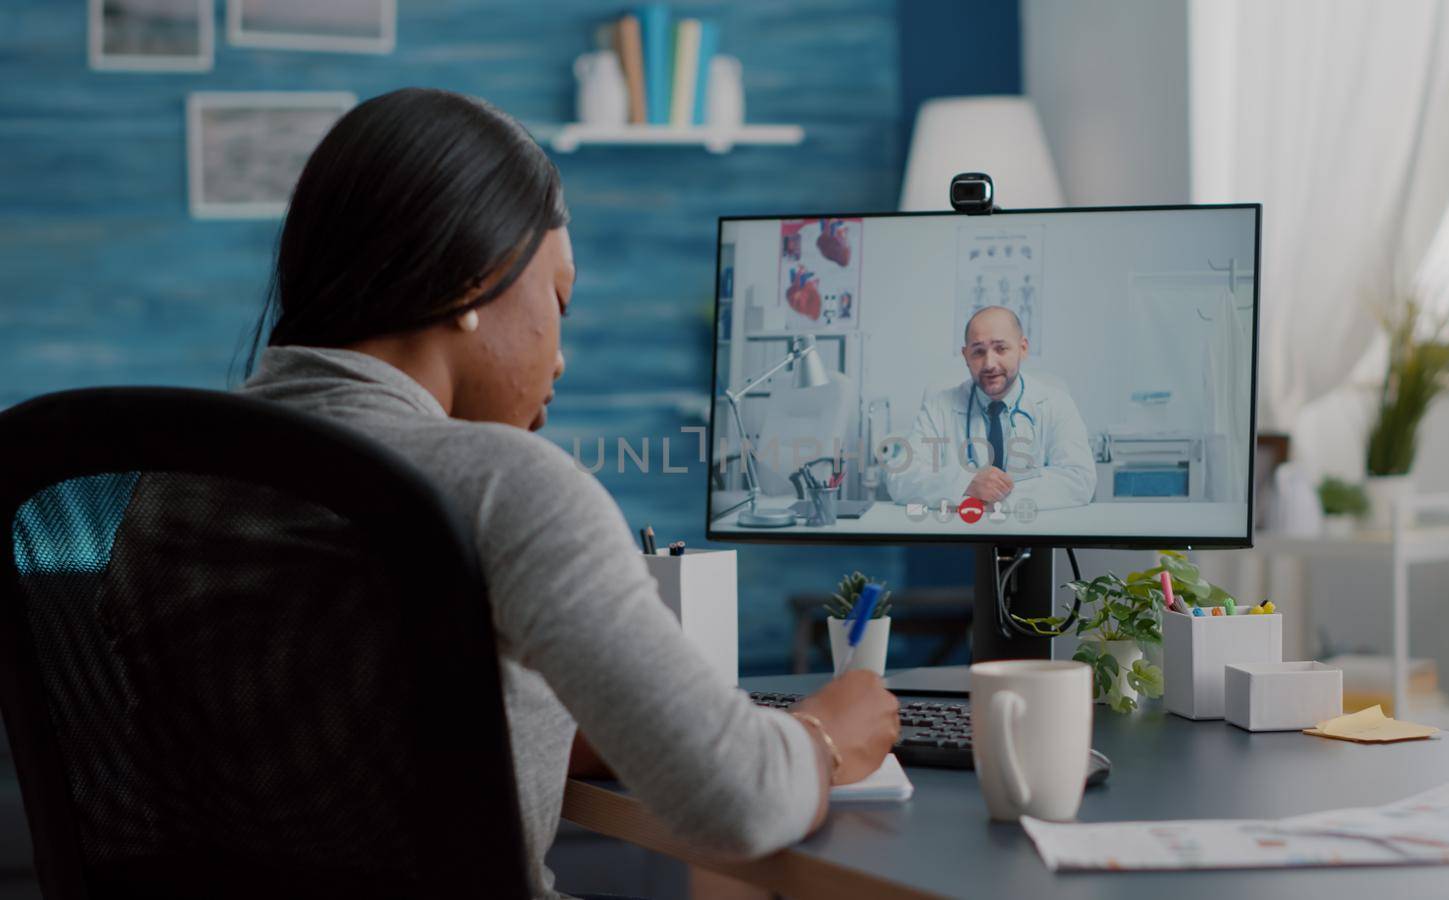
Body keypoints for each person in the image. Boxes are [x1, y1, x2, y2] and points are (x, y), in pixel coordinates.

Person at [238, 88, 899, 897]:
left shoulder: (166, 485)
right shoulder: (506, 484)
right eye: (558, 301)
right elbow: (743, 802)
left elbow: (340, 736)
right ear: (470, 281)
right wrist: (827, 733)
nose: (561, 357)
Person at [885, 306, 1096, 511]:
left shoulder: (1056, 403)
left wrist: (994, 496)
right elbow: (900, 477)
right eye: (978, 352)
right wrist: (966, 484)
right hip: (961, 535)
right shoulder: (938, 406)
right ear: (965, 355)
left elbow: (1079, 480)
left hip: (1034, 535)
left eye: (1001, 348)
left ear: (1022, 349)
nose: (989, 363)